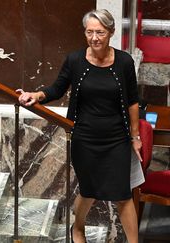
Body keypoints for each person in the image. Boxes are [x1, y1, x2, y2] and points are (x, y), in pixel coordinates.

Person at [17, 9, 141, 243]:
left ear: (111, 33)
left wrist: (135, 136)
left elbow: (133, 101)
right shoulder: (75, 60)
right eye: (90, 32)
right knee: (89, 190)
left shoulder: (124, 61)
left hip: (117, 139)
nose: (94, 37)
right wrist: (37, 94)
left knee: (123, 195)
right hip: (85, 139)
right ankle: (78, 228)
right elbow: (57, 88)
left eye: (100, 32)